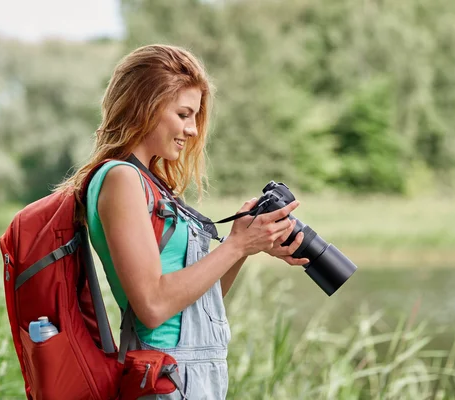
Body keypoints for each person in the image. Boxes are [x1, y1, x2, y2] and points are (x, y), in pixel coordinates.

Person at [57, 44, 309, 399]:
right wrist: (236, 245)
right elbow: (153, 305)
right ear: (146, 106)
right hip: (168, 377)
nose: (192, 130)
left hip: (193, 374)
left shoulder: (152, 183)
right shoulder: (121, 179)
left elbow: (200, 300)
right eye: (184, 114)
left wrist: (247, 244)